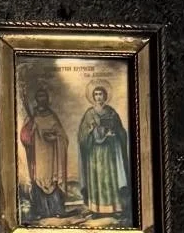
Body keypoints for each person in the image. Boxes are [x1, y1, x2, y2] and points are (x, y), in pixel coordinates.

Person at [77, 82, 131, 220]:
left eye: (100, 94)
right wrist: (92, 131)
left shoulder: (111, 112)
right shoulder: (89, 114)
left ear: (105, 96)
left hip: (109, 152)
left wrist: (115, 134)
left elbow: (121, 131)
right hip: (94, 153)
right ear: (93, 97)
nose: (98, 97)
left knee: (109, 178)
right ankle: (96, 209)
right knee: (96, 178)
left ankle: (114, 208)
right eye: (96, 94)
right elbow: (82, 134)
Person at [18, 82, 68, 221]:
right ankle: (40, 210)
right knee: (38, 179)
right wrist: (31, 130)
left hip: (52, 155)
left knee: (53, 179)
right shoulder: (32, 116)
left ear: (47, 99)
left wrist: (55, 137)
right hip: (38, 155)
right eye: (39, 96)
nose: (42, 99)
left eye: (44, 96)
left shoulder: (52, 116)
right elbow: (24, 137)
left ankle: (57, 209)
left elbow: (63, 136)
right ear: (36, 99)